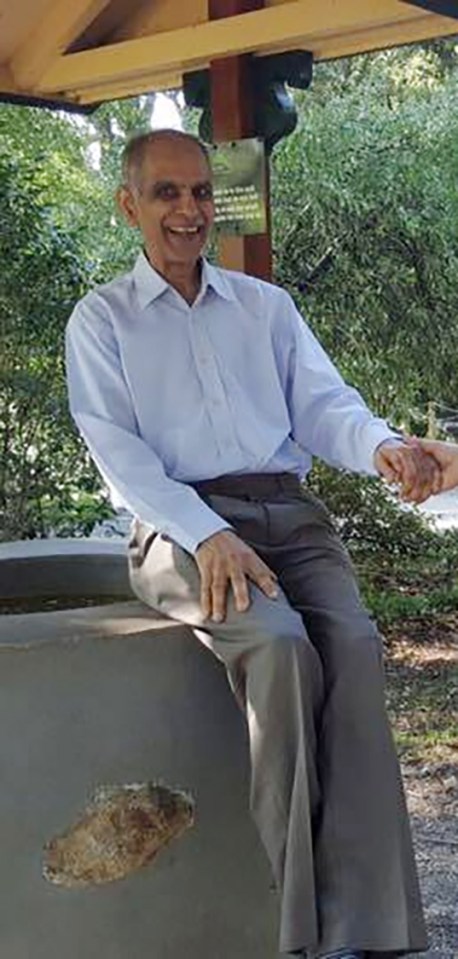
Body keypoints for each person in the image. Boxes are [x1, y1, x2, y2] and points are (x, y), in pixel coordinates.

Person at [65, 129, 436, 958]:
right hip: (179, 525)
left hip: (288, 515)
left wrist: (379, 446)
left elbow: (323, 405)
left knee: (353, 643)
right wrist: (209, 533)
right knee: (279, 650)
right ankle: (307, 933)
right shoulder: (100, 321)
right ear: (129, 205)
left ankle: (371, 926)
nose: (189, 210)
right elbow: (120, 458)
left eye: (199, 192)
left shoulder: (265, 308)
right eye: (167, 193)